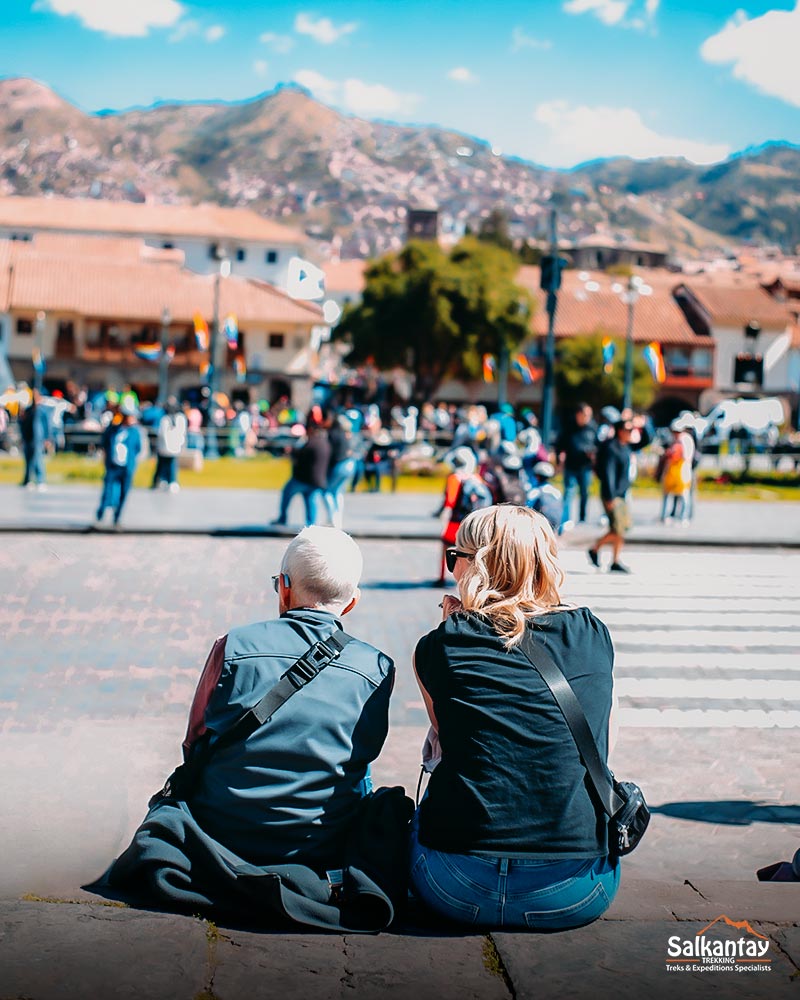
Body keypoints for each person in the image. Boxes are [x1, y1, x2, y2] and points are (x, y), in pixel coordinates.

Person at [87, 527, 399, 922]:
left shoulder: (233, 645)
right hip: (318, 845)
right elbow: (362, 757)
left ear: (284, 587)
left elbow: (194, 740)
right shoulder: (377, 667)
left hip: (222, 833)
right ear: (352, 603)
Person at [410, 505, 619, 929]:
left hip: (455, 882)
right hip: (575, 889)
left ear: (478, 565)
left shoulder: (438, 646)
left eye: (455, 558)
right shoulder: (592, 634)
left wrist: (453, 627)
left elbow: (451, 739)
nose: (451, 569)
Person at [588, 416, 649, 573]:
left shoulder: (625, 446)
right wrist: (610, 497)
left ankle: (615, 560)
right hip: (613, 494)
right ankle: (595, 548)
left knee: (621, 528)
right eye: (628, 430)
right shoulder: (611, 448)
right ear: (620, 431)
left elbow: (647, 440)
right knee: (618, 529)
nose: (631, 433)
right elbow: (609, 474)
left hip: (621, 493)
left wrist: (644, 424)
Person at [434, 447, 492, 587]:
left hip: (456, 523)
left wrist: (443, 520)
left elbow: (450, 502)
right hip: (473, 523)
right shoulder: (477, 478)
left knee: (447, 547)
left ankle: (442, 576)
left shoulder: (455, 479)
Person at [271, 410, 331, 527]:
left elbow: (299, 457)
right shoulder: (325, 443)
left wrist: (291, 452)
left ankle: (282, 517)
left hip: (303, 478)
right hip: (318, 480)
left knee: (287, 493)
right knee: (310, 501)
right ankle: (311, 524)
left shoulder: (310, 443)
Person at [96, 398, 142, 527]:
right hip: (113, 465)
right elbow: (105, 442)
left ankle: (117, 517)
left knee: (124, 492)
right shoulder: (113, 429)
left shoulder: (135, 432)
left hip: (127, 467)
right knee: (108, 490)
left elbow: (138, 448)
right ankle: (101, 513)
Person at [556, 402, 597, 532]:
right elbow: (559, 444)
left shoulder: (592, 428)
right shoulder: (569, 427)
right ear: (578, 414)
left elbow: (598, 445)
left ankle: (582, 518)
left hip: (585, 467)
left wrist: (592, 454)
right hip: (571, 466)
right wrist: (559, 458)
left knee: (585, 492)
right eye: (585, 414)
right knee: (569, 493)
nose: (587, 417)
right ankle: (565, 520)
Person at [324, 413, 357, 528]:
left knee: (327, 492)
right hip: (350, 464)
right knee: (338, 492)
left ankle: (332, 518)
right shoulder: (344, 434)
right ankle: (339, 518)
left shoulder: (332, 434)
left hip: (340, 464)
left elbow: (331, 455)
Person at [658, 424, 692, 524]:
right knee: (668, 494)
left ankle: (683, 516)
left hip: (682, 470)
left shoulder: (684, 441)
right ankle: (666, 515)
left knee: (684, 495)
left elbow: (682, 456)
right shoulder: (675, 441)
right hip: (672, 471)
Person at [152, 398, 187, 492]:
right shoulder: (179, 418)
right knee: (168, 464)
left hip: (167, 446)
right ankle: (167, 481)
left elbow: (161, 433)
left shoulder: (166, 419)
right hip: (172, 446)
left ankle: (168, 481)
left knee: (168, 464)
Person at [19, 389, 50, 490]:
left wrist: (47, 438)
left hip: (38, 438)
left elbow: (47, 425)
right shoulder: (28, 410)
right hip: (29, 437)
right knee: (28, 460)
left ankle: (41, 480)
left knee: (38, 458)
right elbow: (23, 424)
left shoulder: (41, 410)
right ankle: (27, 480)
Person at [526, 460, 564, 531]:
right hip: (555, 525)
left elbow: (527, 507)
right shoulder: (556, 492)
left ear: (537, 476)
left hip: (540, 525)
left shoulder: (535, 492)